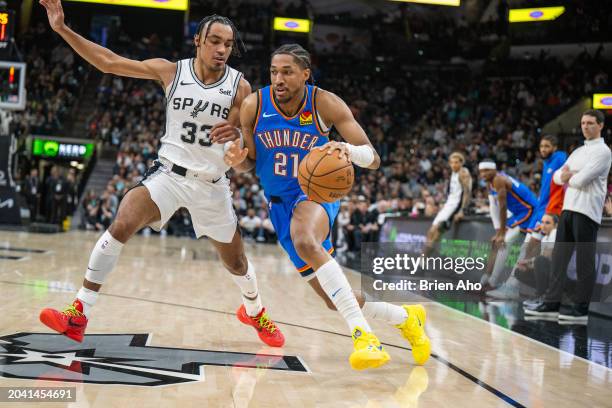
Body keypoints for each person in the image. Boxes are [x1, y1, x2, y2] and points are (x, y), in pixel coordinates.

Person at [38, 0, 284, 348]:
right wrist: (62, 28)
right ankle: (79, 312)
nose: (222, 49)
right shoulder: (171, 71)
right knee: (122, 222)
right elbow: (108, 63)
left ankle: (254, 310)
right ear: (198, 40)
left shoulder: (240, 88)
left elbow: (242, 151)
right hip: (169, 175)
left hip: (212, 184)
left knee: (237, 262)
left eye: (228, 44)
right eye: (215, 41)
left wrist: (238, 147)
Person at [225, 44, 430, 370]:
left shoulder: (325, 103)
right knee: (333, 299)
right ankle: (406, 318)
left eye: (287, 72)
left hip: (315, 193)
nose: (279, 78)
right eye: (274, 71)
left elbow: (373, 159)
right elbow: (250, 162)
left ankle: (364, 337)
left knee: (306, 239)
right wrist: (238, 162)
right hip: (279, 206)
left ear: (306, 74)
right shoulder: (254, 105)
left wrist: (345, 149)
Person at [525, 109, 612, 321]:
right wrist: (569, 175)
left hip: (587, 212)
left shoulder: (603, 152)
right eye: (583, 123)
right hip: (568, 209)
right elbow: (556, 177)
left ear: (600, 126)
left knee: (584, 262)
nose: (585, 126)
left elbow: (581, 180)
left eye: (590, 123)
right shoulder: (577, 152)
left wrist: (569, 176)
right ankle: (551, 303)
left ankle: (581, 310)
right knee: (558, 259)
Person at [486, 135, 567, 299]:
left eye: (547, 146)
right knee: (528, 248)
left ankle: (515, 287)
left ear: (555, 147)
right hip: (541, 208)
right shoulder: (546, 162)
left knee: (535, 249)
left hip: (550, 210)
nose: (543, 149)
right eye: (541, 146)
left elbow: (567, 167)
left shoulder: (559, 157)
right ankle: (512, 285)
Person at [478, 160, 538, 289]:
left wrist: (501, 233)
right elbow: (494, 207)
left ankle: (493, 283)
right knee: (497, 243)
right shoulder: (490, 183)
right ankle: (486, 279)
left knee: (505, 241)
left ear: (494, 170)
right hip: (518, 212)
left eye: (487, 170)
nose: (483, 174)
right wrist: (498, 230)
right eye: (481, 171)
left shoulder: (499, 180)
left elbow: (503, 206)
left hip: (529, 209)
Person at [423, 152, 472, 257]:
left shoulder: (463, 173)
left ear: (461, 163)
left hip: (454, 208)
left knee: (435, 232)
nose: (454, 165)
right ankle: (425, 260)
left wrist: (462, 211)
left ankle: (423, 261)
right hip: (448, 206)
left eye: (457, 162)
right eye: (452, 163)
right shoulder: (453, 173)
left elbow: (467, 193)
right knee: (431, 233)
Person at [515, 213, 558, 306]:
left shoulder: (555, 233)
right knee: (519, 272)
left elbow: (546, 256)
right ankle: (546, 293)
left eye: (547, 223)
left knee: (539, 261)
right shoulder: (545, 238)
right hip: (551, 273)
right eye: (542, 222)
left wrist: (529, 262)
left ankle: (540, 297)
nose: (543, 226)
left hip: (562, 278)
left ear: (555, 225)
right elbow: (542, 262)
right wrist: (528, 265)